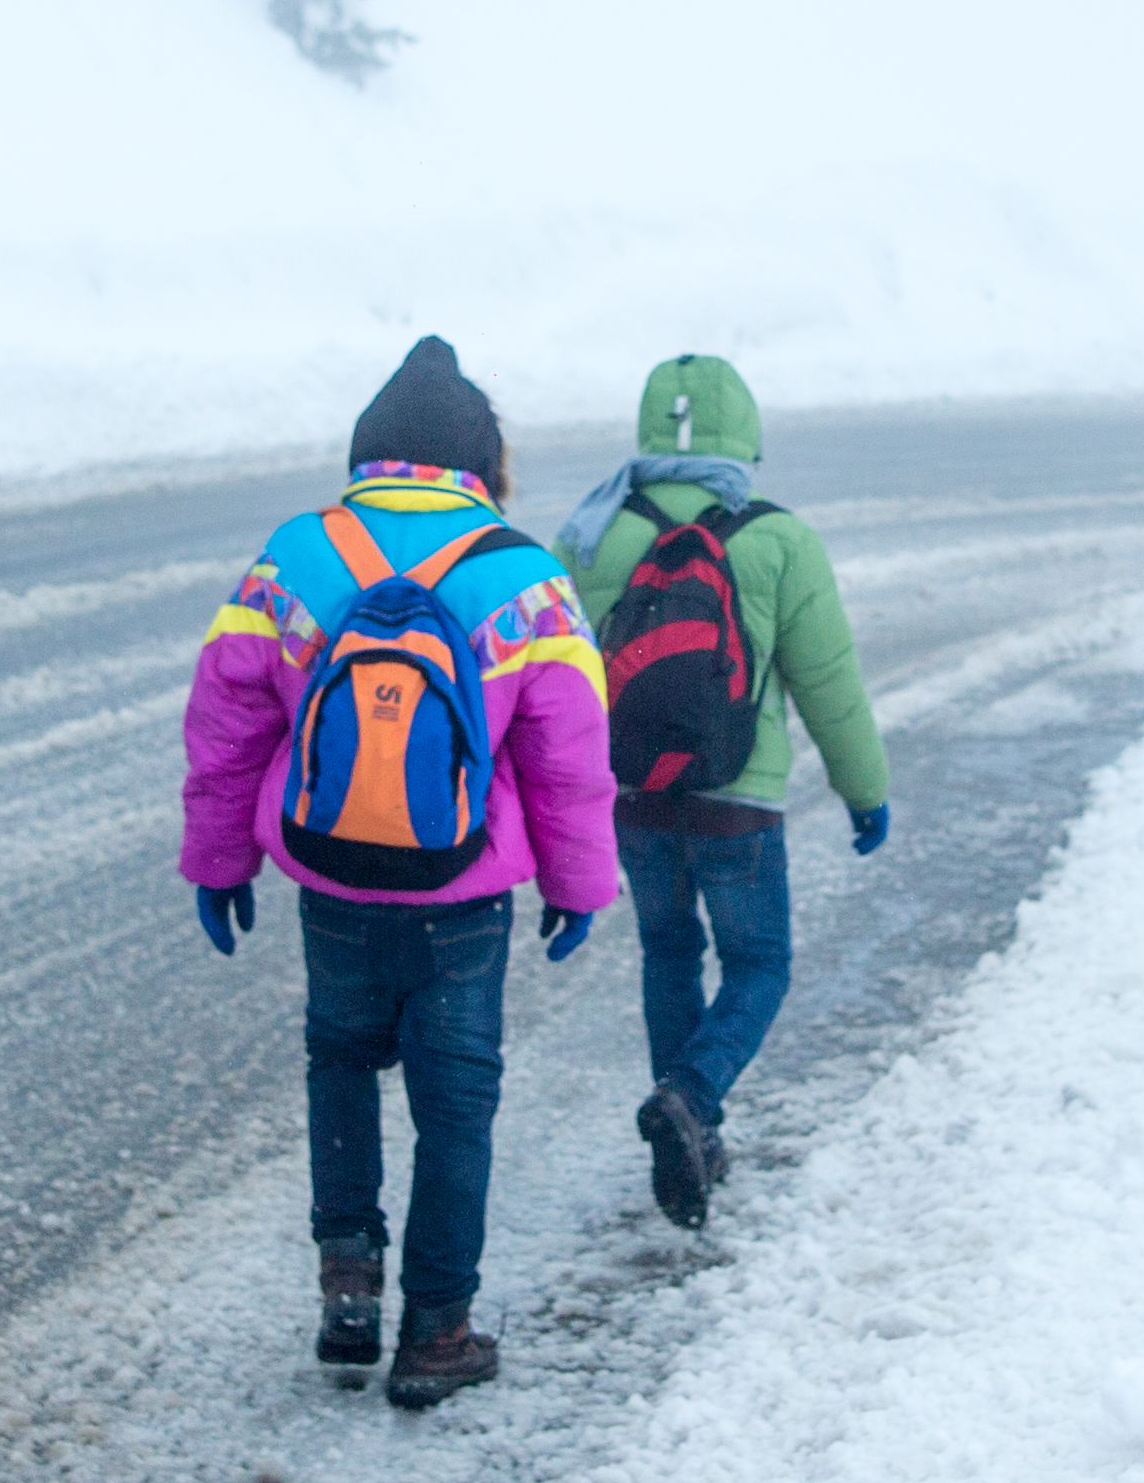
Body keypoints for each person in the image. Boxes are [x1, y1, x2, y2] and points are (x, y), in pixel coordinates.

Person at [181, 335, 619, 1406]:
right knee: (456, 1103)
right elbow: (567, 757)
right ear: (478, 460)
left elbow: (227, 721)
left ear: (368, 451)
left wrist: (220, 856)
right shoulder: (526, 576)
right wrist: (577, 886)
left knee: (339, 1061)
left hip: (329, 880)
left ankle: (347, 1283)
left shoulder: (293, 556)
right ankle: (437, 1332)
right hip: (464, 892)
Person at [557, 351, 891, 1229]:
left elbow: (551, 684)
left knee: (669, 955)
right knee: (759, 964)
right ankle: (692, 1100)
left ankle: (689, 1131)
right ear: (743, 430)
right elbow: (829, 681)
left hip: (632, 795)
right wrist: (865, 790)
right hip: (738, 798)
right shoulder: (778, 537)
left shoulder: (589, 534)